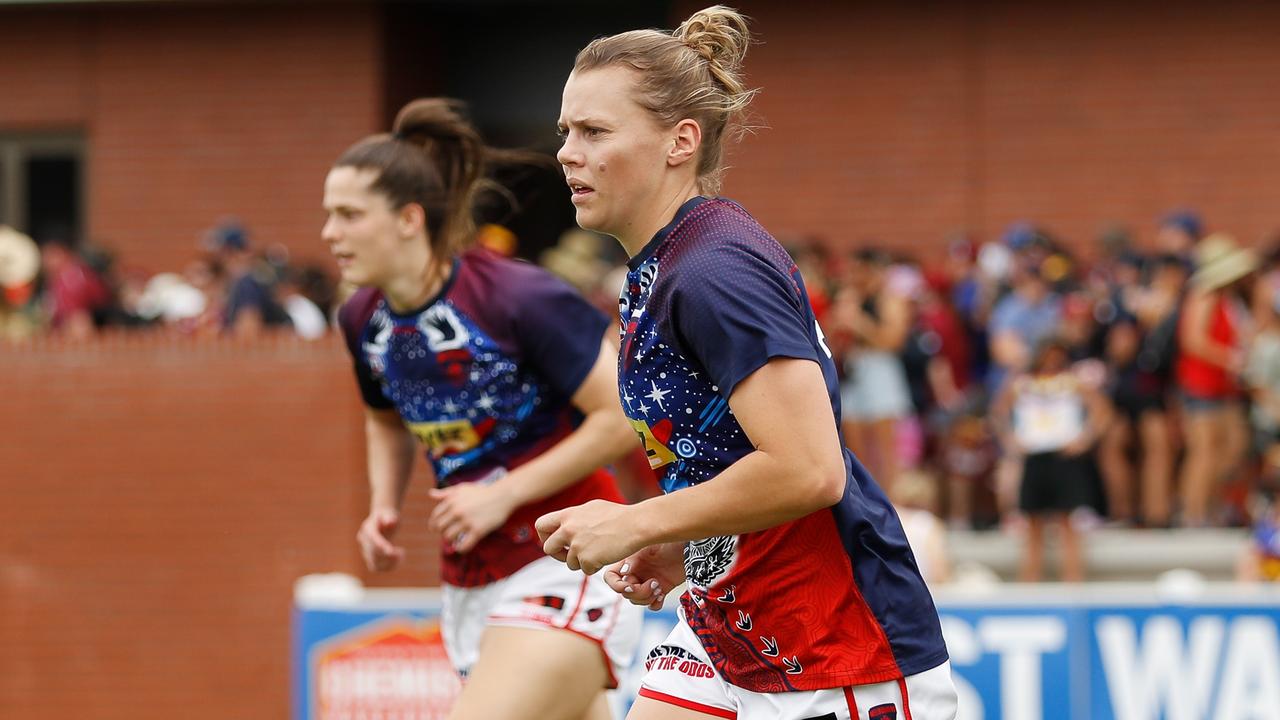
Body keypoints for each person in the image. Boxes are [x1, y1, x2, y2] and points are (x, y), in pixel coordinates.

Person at [536, 7, 957, 719]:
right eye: (566, 133)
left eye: (594, 131)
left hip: (833, 649)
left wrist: (638, 522)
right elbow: (725, 458)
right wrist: (687, 543)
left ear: (681, 141)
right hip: (729, 621)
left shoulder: (712, 270)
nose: (567, 153)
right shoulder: (662, 267)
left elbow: (808, 468)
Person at [323, 98, 643, 720]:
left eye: (348, 215)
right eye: (328, 215)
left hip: (562, 559)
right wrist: (384, 503)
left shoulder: (517, 295)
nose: (329, 233)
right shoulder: (362, 316)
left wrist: (502, 492)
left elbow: (623, 417)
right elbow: (384, 416)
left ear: (409, 219)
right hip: (471, 580)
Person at [992, 338, 1110, 582]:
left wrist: (1084, 439)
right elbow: (999, 412)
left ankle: (1072, 579)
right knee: (1033, 525)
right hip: (1035, 455)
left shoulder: (1072, 382)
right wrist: (1010, 439)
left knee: (1068, 523)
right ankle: (1031, 579)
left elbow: (1102, 410)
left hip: (1063, 456)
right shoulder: (1022, 384)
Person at [1176, 233, 1257, 526]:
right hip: (1202, 385)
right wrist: (1230, 358)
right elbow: (1193, 340)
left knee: (1234, 447)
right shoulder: (1204, 294)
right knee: (1205, 452)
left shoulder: (1229, 299)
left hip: (1225, 387)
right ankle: (1193, 513)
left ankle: (1212, 505)